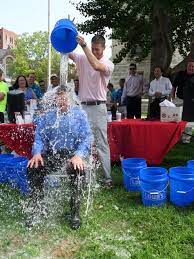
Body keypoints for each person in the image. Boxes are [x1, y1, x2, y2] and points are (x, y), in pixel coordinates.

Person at [27, 85, 92, 229]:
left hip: (71, 155)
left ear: (70, 98)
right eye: (59, 97)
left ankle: (75, 212)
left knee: (78, 171)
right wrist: (37, 152)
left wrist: (79, 155)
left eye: (65, 97)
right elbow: (39, 137)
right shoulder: (47, 116)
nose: (62, 100)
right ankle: (37, 208)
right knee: (34, 167)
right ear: (55, 98)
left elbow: (87, 138)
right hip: (53, 154)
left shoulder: (79, 114)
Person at [69, 34, 114, 187]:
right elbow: (66, 50)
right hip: (82, 107)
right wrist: (68, 34)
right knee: (81, 141)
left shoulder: (108, 64)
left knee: (101, 143)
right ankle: (84, 175)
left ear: (104, 48)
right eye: (93, 49)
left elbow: (96, 65)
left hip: (98, 107)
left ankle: (107, 179)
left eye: (98, 50)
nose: (95, 52)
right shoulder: (81, 58)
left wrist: (84, 46)